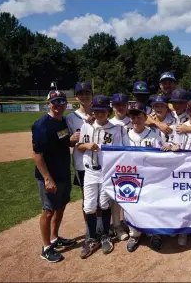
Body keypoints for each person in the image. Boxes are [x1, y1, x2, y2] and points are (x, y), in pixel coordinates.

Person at [32, 90, 76, 263]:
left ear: (66, 104)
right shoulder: (42, 125)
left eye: (61, 102)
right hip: (49, 177)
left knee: (60, 208)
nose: (58, 105)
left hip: (63, 173)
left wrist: (73, 140)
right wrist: (47, 178)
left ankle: (54, 238)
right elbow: (37, 155)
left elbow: (63, 142)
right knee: (48, 211)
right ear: (48, 104)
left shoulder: (63, 122)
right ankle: (45, 247)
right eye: (54, 102)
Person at [124, 102, 174, 253]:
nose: (136, 120)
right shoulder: (124, 134)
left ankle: (155, 233)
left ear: (145, 117)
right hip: (131, 176)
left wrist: (169, 147)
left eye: (139, 116)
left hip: (151, 178)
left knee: (153, 205)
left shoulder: (153, 135)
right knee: (131, 206)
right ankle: (134, 234)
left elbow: (163, 153)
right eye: (133, 117)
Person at [77, 95, 122, 259]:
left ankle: (104, 235)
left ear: (108, 111)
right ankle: (91, 239)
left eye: (103, 111)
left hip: (105, 172)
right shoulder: (86, 127)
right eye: (96, 110)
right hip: (89, 171)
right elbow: (79, 146)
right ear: (93, 111)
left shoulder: (115, 129)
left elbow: (119, 152)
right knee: (89, 206)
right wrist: (86, 145)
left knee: (103, 203)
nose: (99, 114)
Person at [66, 81, 106, 241]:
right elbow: (66, 141)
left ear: (92, 95)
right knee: (87, 198)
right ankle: (90, 229)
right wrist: (71, 139)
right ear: (76, 97)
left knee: (102, 198)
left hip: (101, 163)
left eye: (87, 93)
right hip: (81, 163)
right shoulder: (70, 118)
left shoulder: (100, 112)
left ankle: (101, 227)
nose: (84, 96)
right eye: (81, 93)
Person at [168, 97, 191, 245]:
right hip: (184, 171)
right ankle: (183, 230)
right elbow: (172, 143)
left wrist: (190, 129)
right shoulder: (180, 126)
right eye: (190, 110)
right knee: (183, 200)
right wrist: (173, 147)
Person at [108, 93, 131, 242]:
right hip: (115, 166)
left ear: (127, 105)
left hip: (133, 164)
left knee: (131, 194)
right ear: (113, 106)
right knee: (116, 197)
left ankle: (130, 223)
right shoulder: (109, 123)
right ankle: (117, 225)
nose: (120, 107)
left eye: (123, 104)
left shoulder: (134, 120)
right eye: (117, 104)